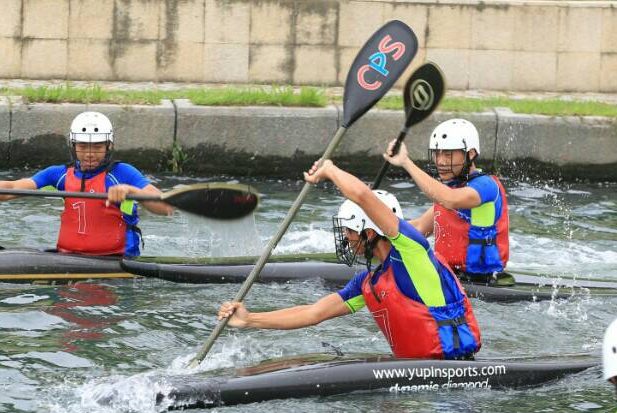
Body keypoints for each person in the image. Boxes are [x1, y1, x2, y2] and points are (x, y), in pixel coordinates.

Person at [218, 159, 480, 360]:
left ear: (369, 233)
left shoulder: (412, 252)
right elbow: (313, 313)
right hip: (418, 381)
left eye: (349, 231)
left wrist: (330, 170)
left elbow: (363, 196)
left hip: (453, 377)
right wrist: (250, 319)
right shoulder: (368, 282)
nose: (345, 238)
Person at [0, 111, 172, 257]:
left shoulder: (123, 173)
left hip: (115, 260)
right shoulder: (59, 174)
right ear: (73, 145)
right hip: (67, 256)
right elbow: (12, 189)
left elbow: (165, 207)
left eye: (97, 147)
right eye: (83, 147)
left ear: (109, 146)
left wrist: (131, 190)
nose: (89, 154)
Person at [383, 118, 509, 280]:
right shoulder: (452, 189)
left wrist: (406, 162)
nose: (440, 162)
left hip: (482, 280)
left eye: (448, 155)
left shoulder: (485, 186)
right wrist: (378, 229)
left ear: (470, 154)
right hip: (450, 276)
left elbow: (449, 200)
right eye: (437, 154)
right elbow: (420, 227)